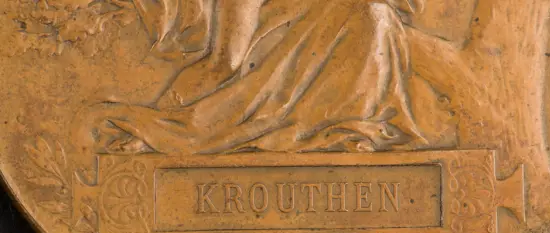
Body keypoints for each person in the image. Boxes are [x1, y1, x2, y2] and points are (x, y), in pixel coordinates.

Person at [73, 0, 441, 155]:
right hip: (271, 54)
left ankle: (351, 127)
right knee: (371, 15)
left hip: (347, 37)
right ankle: (163, 128)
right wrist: (163, 124)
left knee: (374, 15)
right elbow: (226, 61)